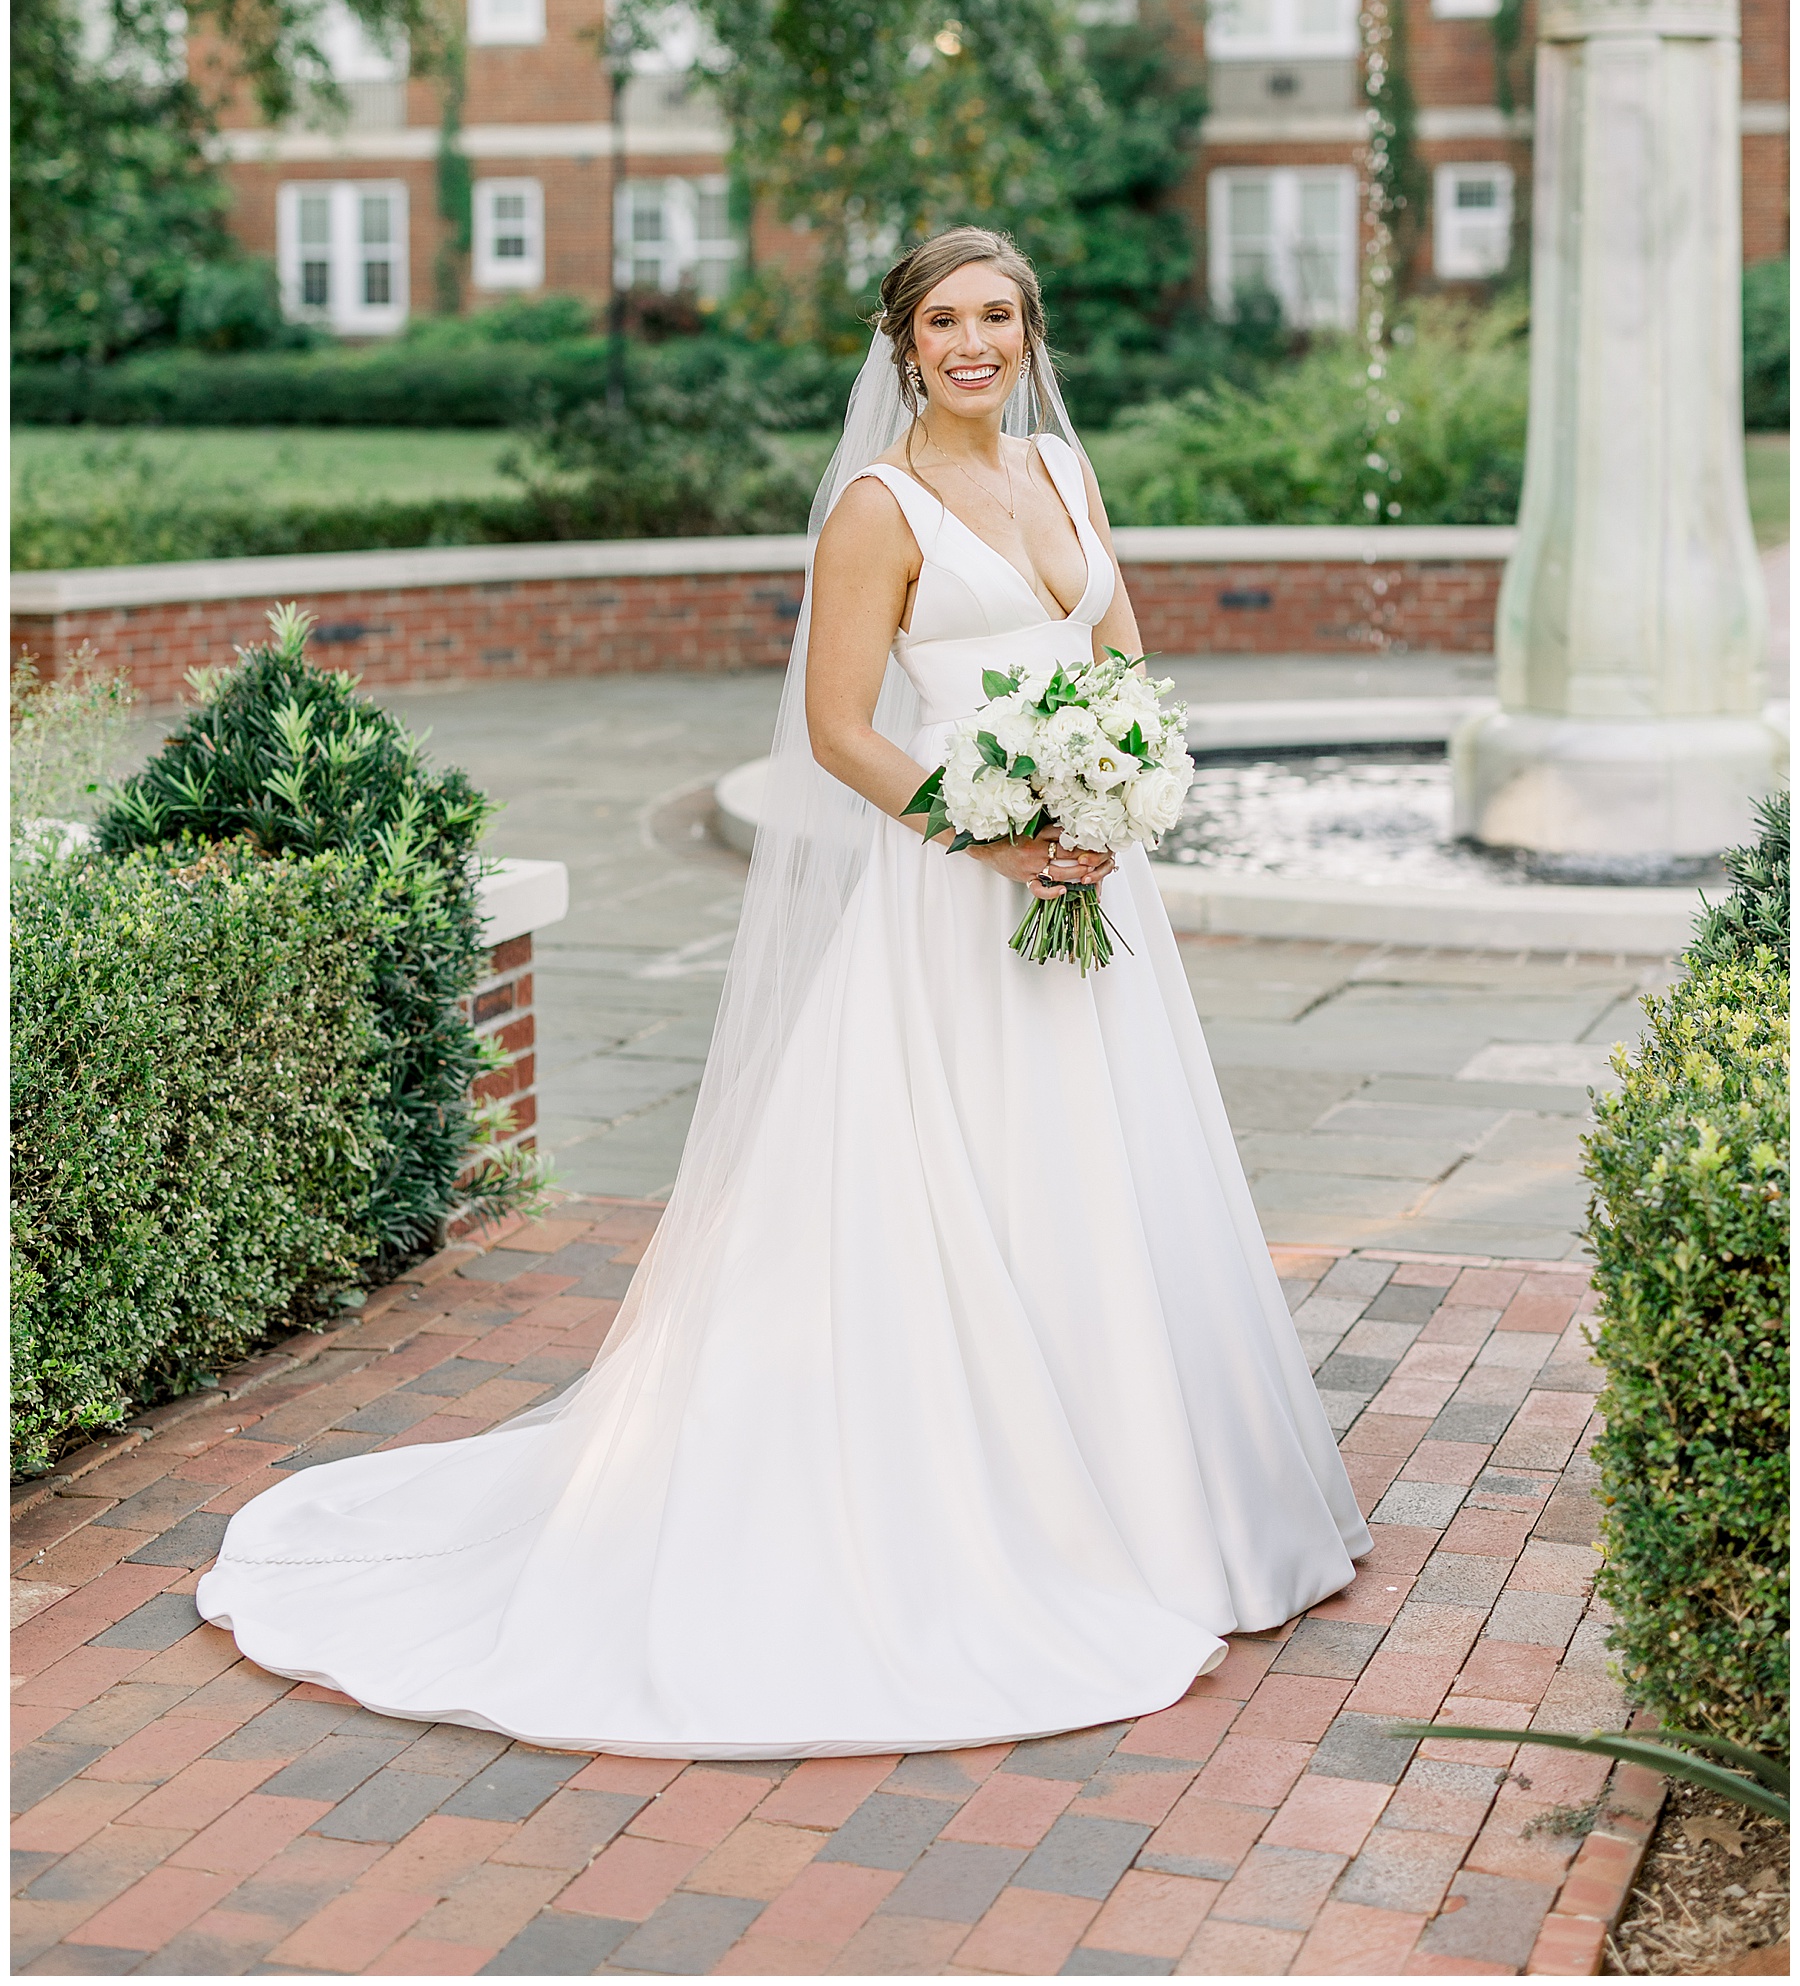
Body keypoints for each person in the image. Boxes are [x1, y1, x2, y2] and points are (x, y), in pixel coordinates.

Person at [196, 226, 1368, 1757]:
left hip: (1090, 888)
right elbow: (839, 732)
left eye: (999, 316)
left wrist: (1112, 792)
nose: (975, 343)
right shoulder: (879, 510)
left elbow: (1122, 658)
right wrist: (989, 832)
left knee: (1106, 1179)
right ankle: (984, 1518)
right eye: (946, 319)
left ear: (1029, 331)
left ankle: (1159, 1502)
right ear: (902, 342)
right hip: (955, 900)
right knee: (949, 1190)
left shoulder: (1067, 476)